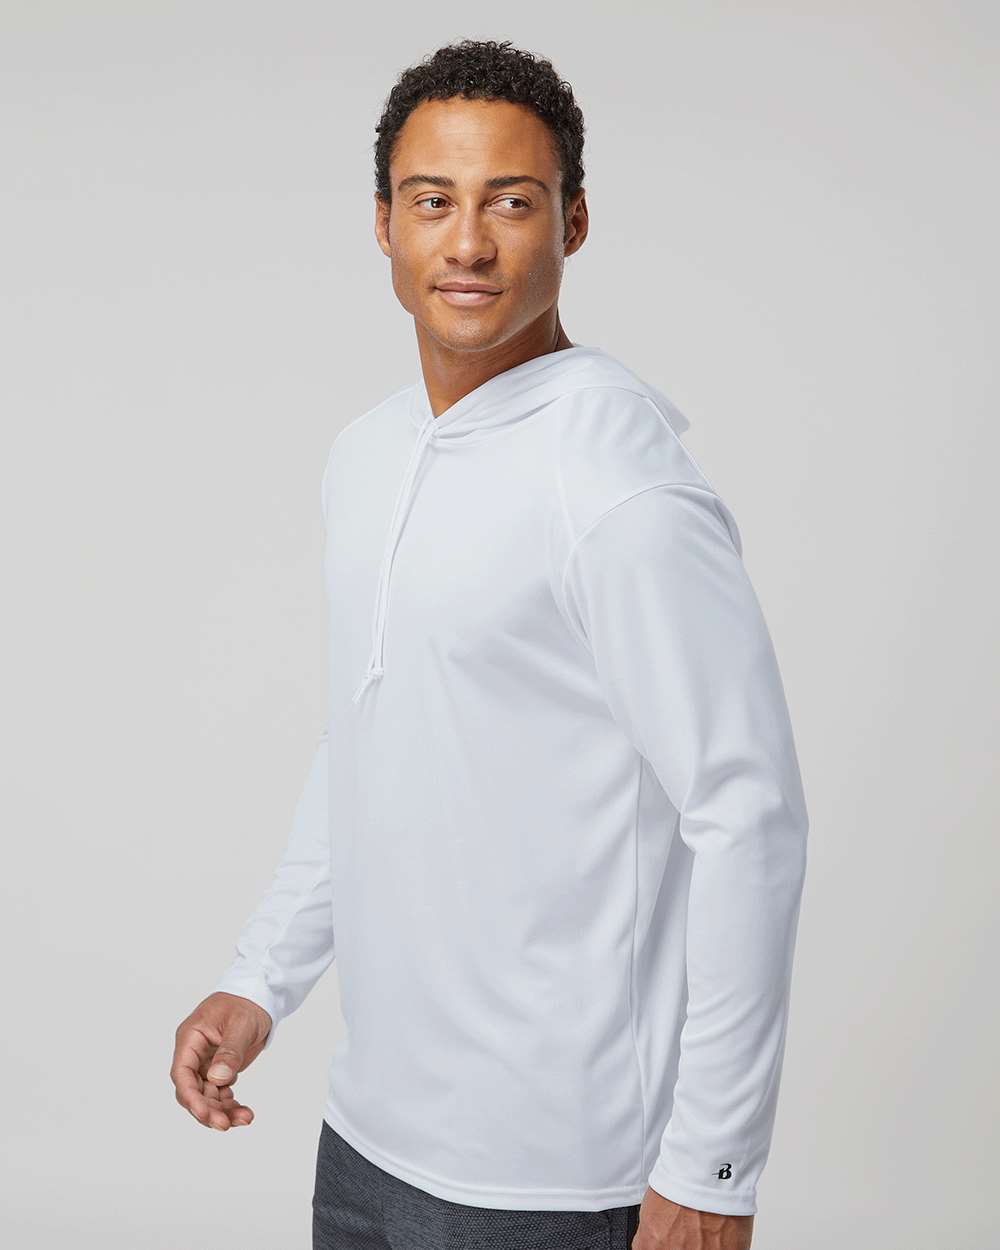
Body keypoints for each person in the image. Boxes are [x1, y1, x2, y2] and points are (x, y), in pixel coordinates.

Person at [170, 38, 809, 1250]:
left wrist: (713, 1164)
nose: (466, 242)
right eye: (432, 201)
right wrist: (262, 977)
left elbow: (749, 812)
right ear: (382, 223)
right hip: (366, 1139)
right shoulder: (367, 453)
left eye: (510, 202)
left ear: (573, 221)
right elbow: (367, 733)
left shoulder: (618, 482)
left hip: (557, 1179)